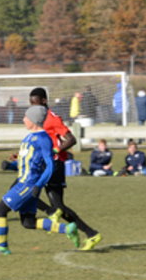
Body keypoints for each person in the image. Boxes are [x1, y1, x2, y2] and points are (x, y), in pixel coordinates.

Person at [0, 105, 78, 256]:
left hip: (28, 184)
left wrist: (38, 185)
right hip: (24, 181)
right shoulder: (28, 138)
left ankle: (2, 247)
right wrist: (11, 165)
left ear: (33, 120)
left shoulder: (43, 139)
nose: (23, 120)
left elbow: (50, 166)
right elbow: (27, 162)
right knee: (28, 222)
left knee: (0, 210)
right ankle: (67, 229)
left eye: (26, 117)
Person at [28, 87, 101, 251]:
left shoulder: (52, 118)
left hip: (54, 165)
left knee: (28, 193)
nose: (33, 107)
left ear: (44, 101)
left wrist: (55, 151)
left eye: (36, 104)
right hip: (43, 164)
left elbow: (71, 139)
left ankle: (53, 215)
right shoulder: (37, 119)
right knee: (58, 206)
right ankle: (91, 233)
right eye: (31, 104)